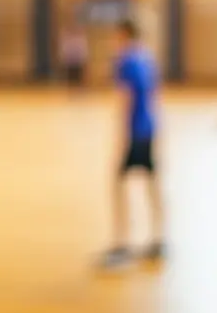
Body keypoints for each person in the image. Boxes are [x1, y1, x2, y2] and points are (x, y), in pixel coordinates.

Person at [99, 18, 165, 269]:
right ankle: (159, 238)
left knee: (118, 183)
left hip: (134, 131)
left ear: (123, 34)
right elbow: (154, 97)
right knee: (152, 181)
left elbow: (124, 101)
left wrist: (120, 137)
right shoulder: (147, 58)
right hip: (150, 128)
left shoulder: (125, 61)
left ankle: (121, 243)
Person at [61, 24, 88, 90]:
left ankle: (79, 90)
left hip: (78, 62)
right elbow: (65, 51)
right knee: (71, 80)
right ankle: (71, 91)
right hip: (70, 62)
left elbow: (83, 51)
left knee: (79, 80)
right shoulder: (67, 40)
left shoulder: (80, 40)